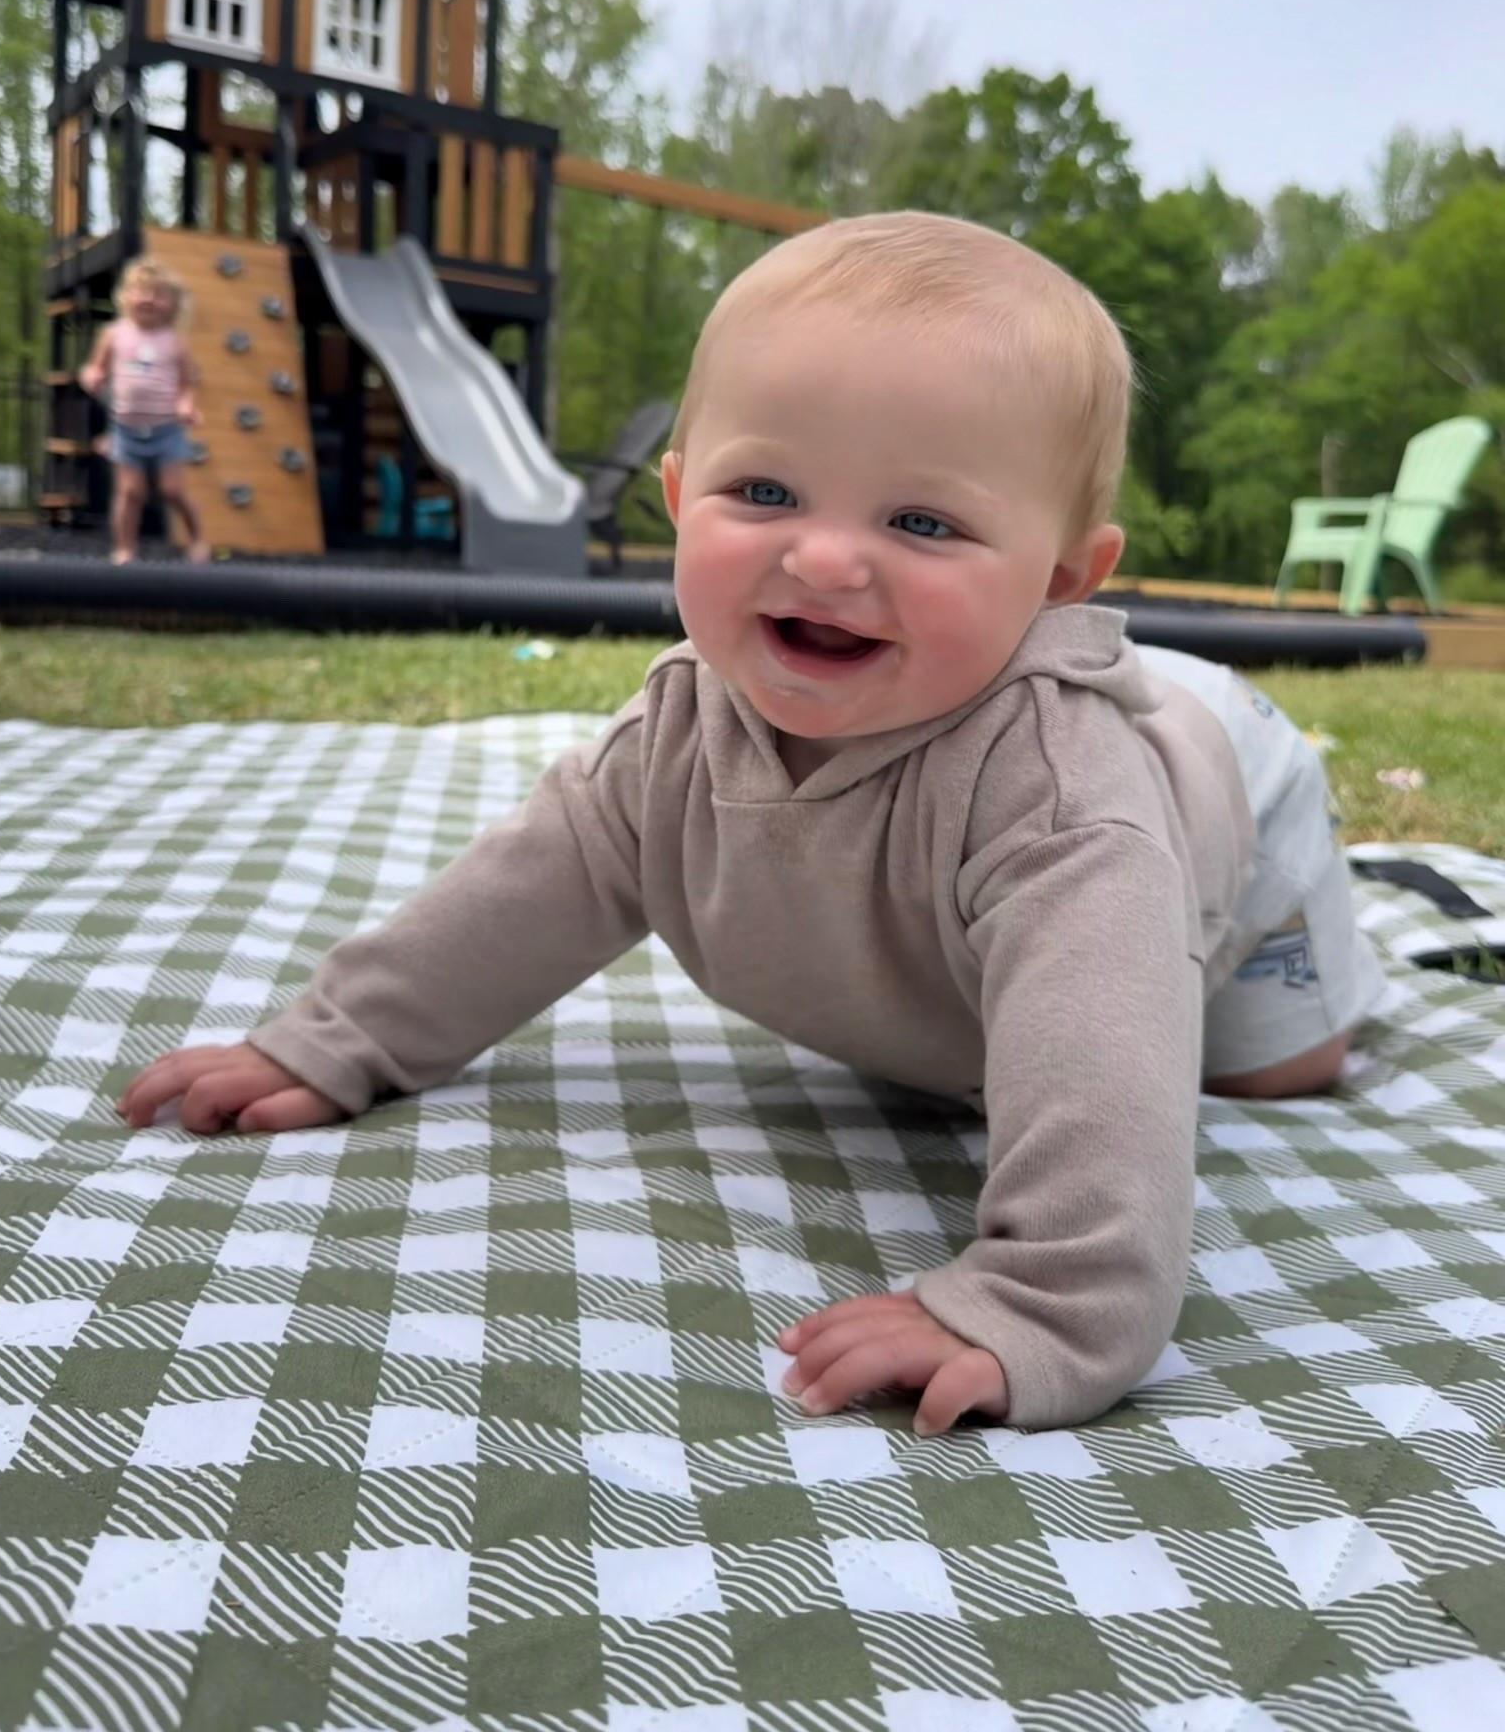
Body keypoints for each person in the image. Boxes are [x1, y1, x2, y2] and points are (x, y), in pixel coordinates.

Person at [115, 213, 1385, 1434]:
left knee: (1262, 1067)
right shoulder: (678, 735)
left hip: (1228, 782)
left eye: (923, 521)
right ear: (675, 496)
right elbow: (522, 894)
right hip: (1046, 851)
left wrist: (1041, 1302)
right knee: (1025, 1018)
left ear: (1061, 580)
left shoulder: (1061, 798)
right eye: (765, 489)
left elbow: (1106, 1087)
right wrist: (336, 1039)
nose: (828, 560)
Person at [78, 256, 209, 565]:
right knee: (129, 492)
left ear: (173, 304)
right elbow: (94, 369)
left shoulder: (175, 343)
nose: (149, 299)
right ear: (126, 296)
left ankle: (199, 539)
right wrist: (92, 377)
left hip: (167, 429)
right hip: (125, 429)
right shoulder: (114, 335)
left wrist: (186, 405)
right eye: (142, 291)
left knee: (172, 490)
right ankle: (124, 549)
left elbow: (186, 385)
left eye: (159, 294)